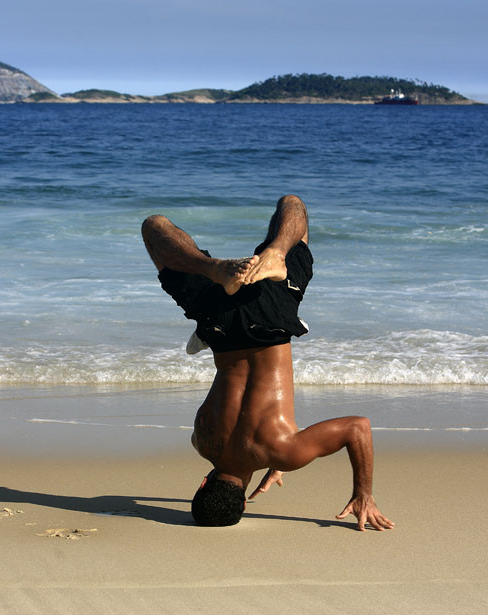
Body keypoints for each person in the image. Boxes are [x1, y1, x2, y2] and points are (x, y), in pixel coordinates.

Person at [142, 195, 394, 531]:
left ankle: (277, 252)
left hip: (270, 322)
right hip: (217, 322)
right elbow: (244, 431)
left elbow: (357, 427)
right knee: (155, 228)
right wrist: (271, 456)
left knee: (294, 209)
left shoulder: (283, 449)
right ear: (203, 483)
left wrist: (362, 493)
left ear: (245, 500)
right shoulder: (202, 440)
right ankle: (213, 267)